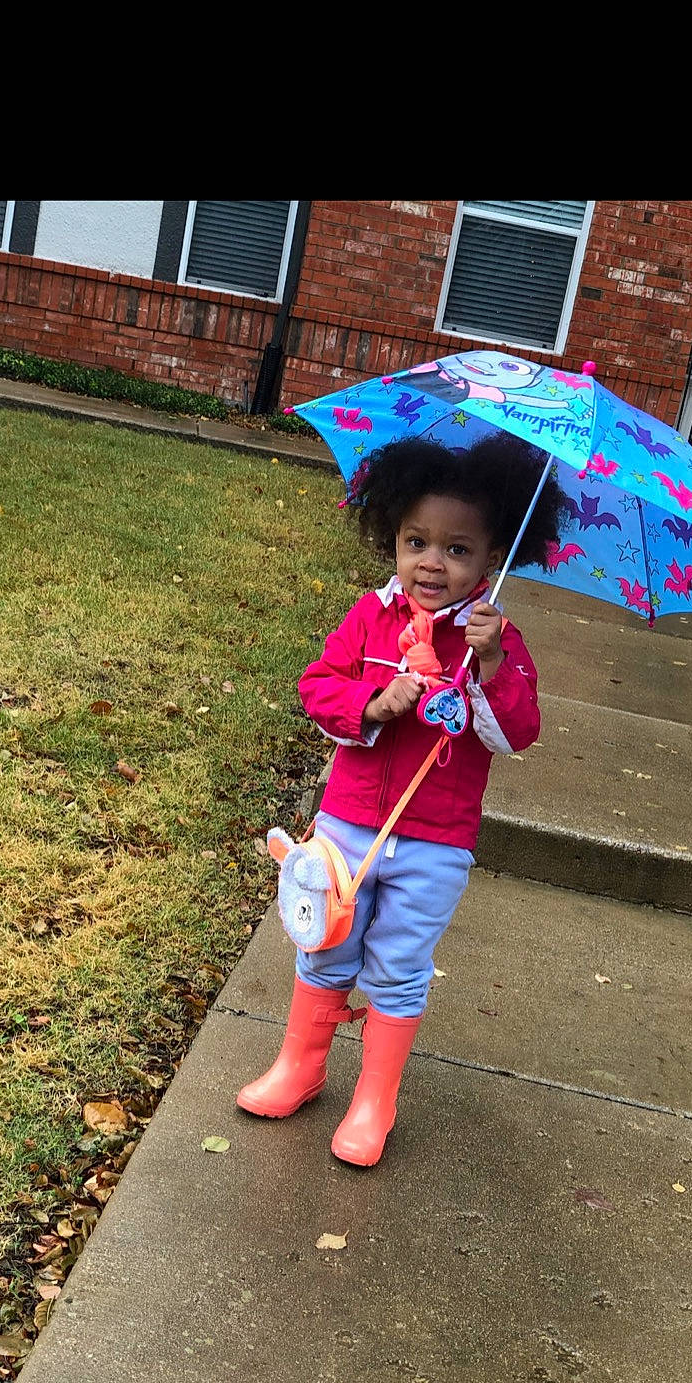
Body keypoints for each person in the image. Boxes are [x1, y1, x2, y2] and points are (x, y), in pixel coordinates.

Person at [236, 433, 568, 1167]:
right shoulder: (370, 618)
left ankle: (373, 1100)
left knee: (397, 963)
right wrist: (372, 703)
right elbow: (317, 687)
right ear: (389, 535)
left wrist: (489, 663)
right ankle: (301, 1066)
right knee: (323, 942)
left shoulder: (495, 642)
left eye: (457, 549)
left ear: (490, 559)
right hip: (349, 823)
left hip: (434, 839)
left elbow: (515, 734)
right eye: (416, 540)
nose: (431, 562)